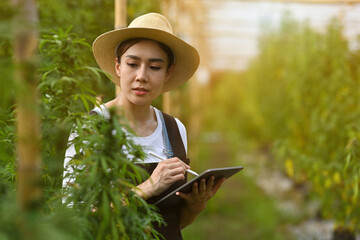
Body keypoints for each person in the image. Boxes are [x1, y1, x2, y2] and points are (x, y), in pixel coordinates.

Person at [64, 12, 225, 240]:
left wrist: (195, 206)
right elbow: (76, 217)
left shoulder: (174, 129)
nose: (141, 76)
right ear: (118, 67)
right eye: (132, 64)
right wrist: (148, 187)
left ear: (167, 73)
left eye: (155, 67)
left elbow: (175, 223)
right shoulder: (91, 128)